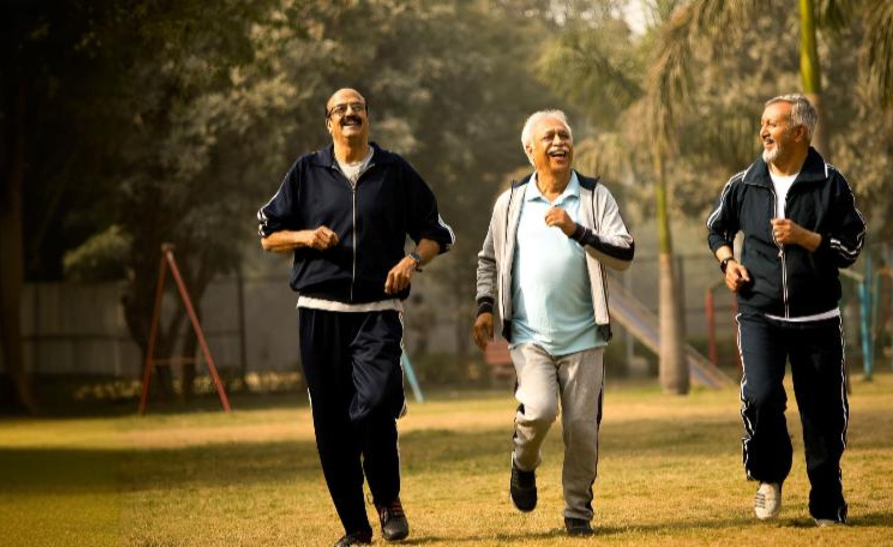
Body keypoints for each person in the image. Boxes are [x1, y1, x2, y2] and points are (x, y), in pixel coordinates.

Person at [258, 88, 455, 547]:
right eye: (340, 109)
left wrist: (411, 261)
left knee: (375, 405)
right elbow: (268, 235)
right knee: (331, 423)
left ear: (368, 118)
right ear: (328, 123)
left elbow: (437, 233)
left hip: (378, 312)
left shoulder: (394, 171)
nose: (350, 113)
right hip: (319, 314)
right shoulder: (307, 171)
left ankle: (388, 500)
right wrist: (307, 237)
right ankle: (355, 527)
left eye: (357, 107)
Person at [703, 94, 866, 527]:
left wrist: (805, 237)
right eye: (762, 123)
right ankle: (769, 475)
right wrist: (727, 262)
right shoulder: (744, 183)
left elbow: (851, 246)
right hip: (760, 314)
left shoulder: (830, 183)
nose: (764, 131)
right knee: (759, 396)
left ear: (800, 132)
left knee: (824, 413)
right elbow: (716, 228)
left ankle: (827, 504)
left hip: (817, 319)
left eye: (772, 123)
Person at [472, 109, 634, 537]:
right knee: (540, 410)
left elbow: (624, 253)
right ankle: (522, 463)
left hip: (585, 336)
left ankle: (578, 513)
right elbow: (488, 259)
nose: (560, 142)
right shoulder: (510, 203)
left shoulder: (595, 197)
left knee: (582, 430)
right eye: (549, 137)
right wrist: (484, 306)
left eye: (565, 135)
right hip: (529, 337)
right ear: (530, 150)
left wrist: (577, 230)